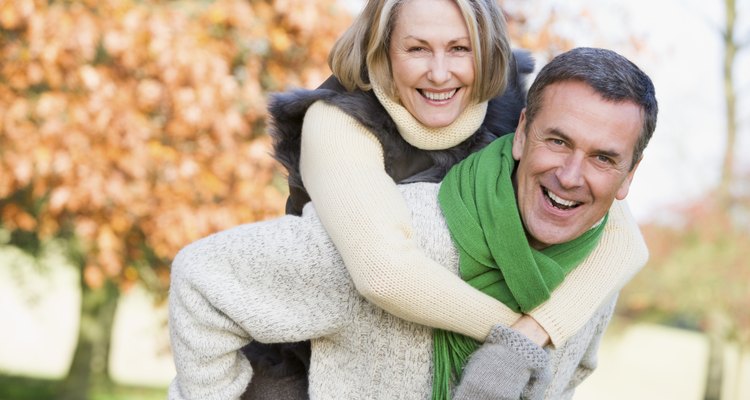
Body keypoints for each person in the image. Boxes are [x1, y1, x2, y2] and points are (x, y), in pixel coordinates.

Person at [168, 45, 657, 400]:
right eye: (558, 141)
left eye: (603, 158)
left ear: (627, 177)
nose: (571, 176)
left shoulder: (594, 280)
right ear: (522, 134)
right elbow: (202, 279)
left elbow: (562, 381)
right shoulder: (405, 229)